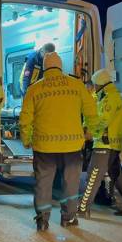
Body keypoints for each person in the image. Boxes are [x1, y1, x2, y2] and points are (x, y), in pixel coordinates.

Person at [20, 52, 99, 231]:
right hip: (72, 147)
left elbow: (25, 119)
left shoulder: (34, 89)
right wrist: (90, 132)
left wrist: (26, 139)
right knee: (70, 183)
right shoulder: (76, 85)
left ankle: (42, 220)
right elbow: (91, 112)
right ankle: (69, 218)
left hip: (44, 147)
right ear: (61, 66)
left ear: (45, 67)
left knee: (43, 184)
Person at [78, 69, 122, 218]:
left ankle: (83, 208)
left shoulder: (109, 98)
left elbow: (102, 120)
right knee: (116, 175)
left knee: (93, 175)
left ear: (100, 83)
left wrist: (88, 133)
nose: (94, 86)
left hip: (105, 143)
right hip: (112, 144)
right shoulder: (106, 96)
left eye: (95, 83)